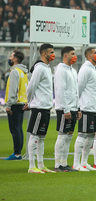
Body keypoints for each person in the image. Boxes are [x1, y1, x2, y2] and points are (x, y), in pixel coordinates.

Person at [26, 43, 55, 174]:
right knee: (34, 136)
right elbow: (32, 86)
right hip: (38, 107)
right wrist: (29, 101)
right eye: (51, 52)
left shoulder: (47, 68)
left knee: (41, 137)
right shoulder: (39, 68)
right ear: (44, 53)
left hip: (46, 107)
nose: (53, 54)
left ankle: (41, 164)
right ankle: (32, 166)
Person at [73, 47, 96, 171]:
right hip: (85, 107)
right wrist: (77, 106)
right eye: (95, 53)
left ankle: (84, 163)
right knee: (82, 135)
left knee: (90, 136)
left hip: (94, 108)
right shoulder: (85, 69)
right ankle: (76, 163)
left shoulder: (94, 69)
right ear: (89, 56)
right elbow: (78, 88)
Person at [54, 47, 80, 172]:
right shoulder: (60, 70)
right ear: (65, 56)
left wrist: (77, 108)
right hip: (65, 109)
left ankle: (64, 163)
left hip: (73, 108)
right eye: (72, 54)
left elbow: (75, 91)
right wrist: (66, 109)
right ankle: (57, 164)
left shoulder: (73, 71)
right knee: (62, 135)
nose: (75, 56)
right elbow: (60, 90)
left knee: (69, 136)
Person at [5, 50, 28, 161]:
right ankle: (18, 152)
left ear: (15, 59)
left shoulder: (15, 72)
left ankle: (17, 154)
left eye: (11, 56)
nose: (9, 58)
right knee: (19, 128)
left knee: (14, 129)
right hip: (22, 103)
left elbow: (13, 89)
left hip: (15, 103)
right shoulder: (23, 72)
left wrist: (9, 104)